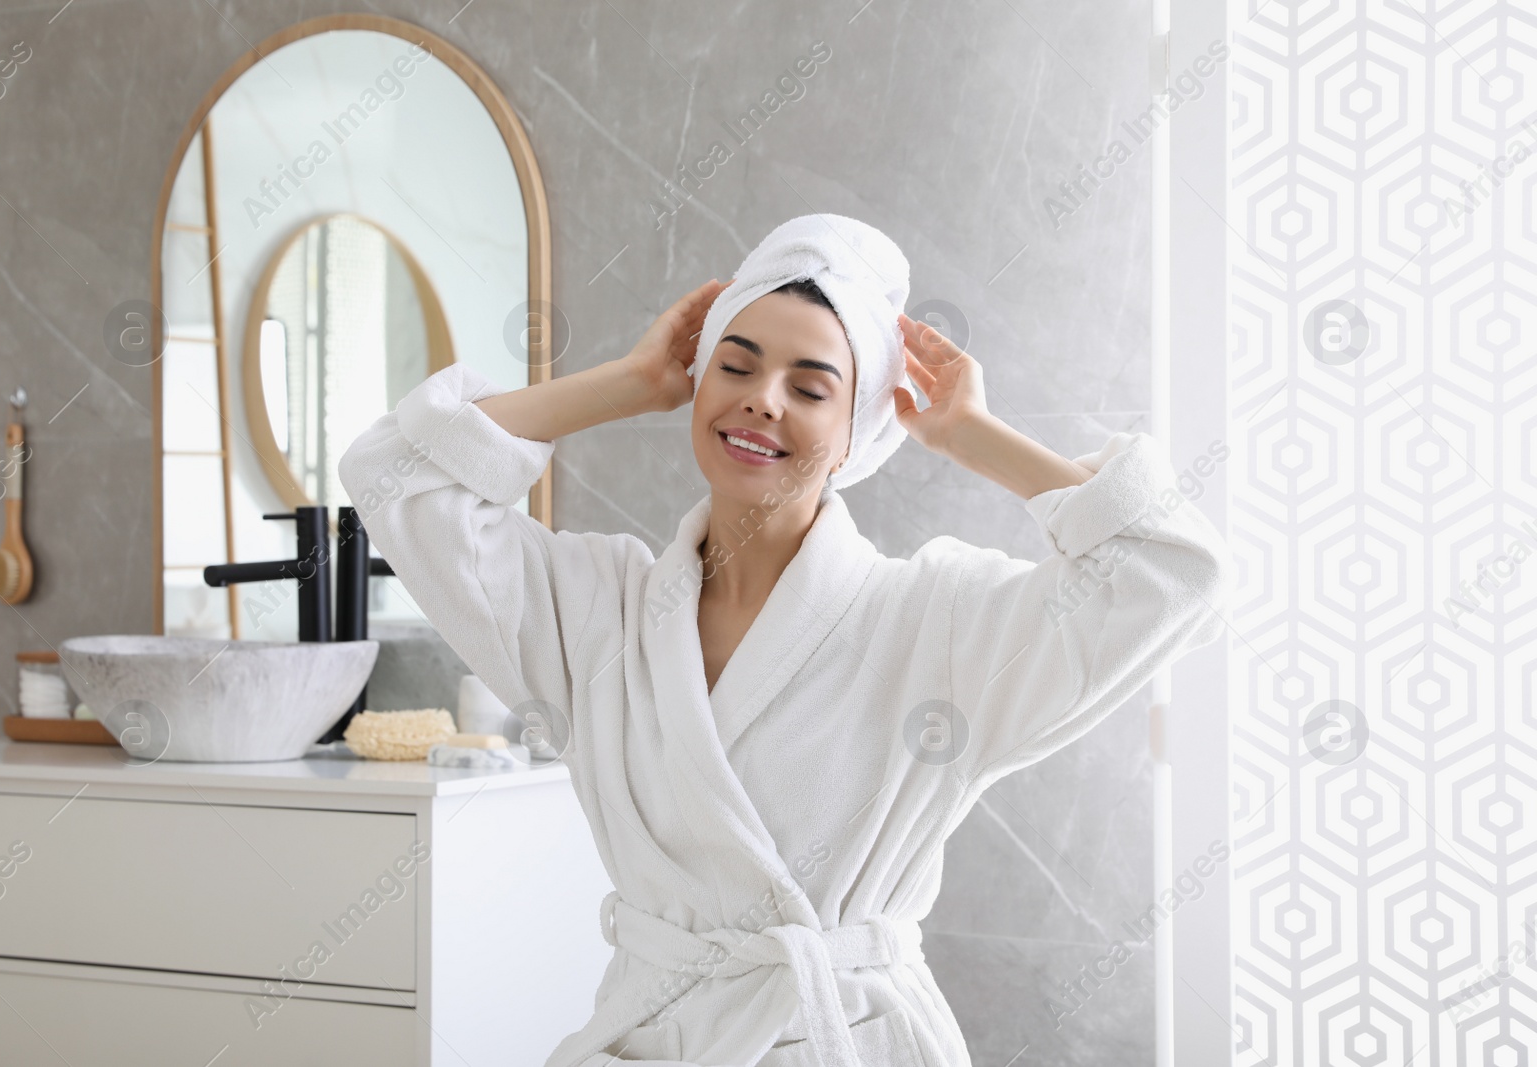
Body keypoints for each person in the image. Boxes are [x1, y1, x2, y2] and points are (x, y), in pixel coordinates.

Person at [339, 213, 1232, 1067]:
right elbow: (395, 474)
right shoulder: (598, 612)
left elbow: (1172, 573)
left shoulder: (934, 624)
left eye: (811, 388)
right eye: (734, 366)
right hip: (651, 1037)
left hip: (845, 1035)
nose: (762, 401)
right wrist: (629, 381)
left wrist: (973, 435)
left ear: (855, 435)